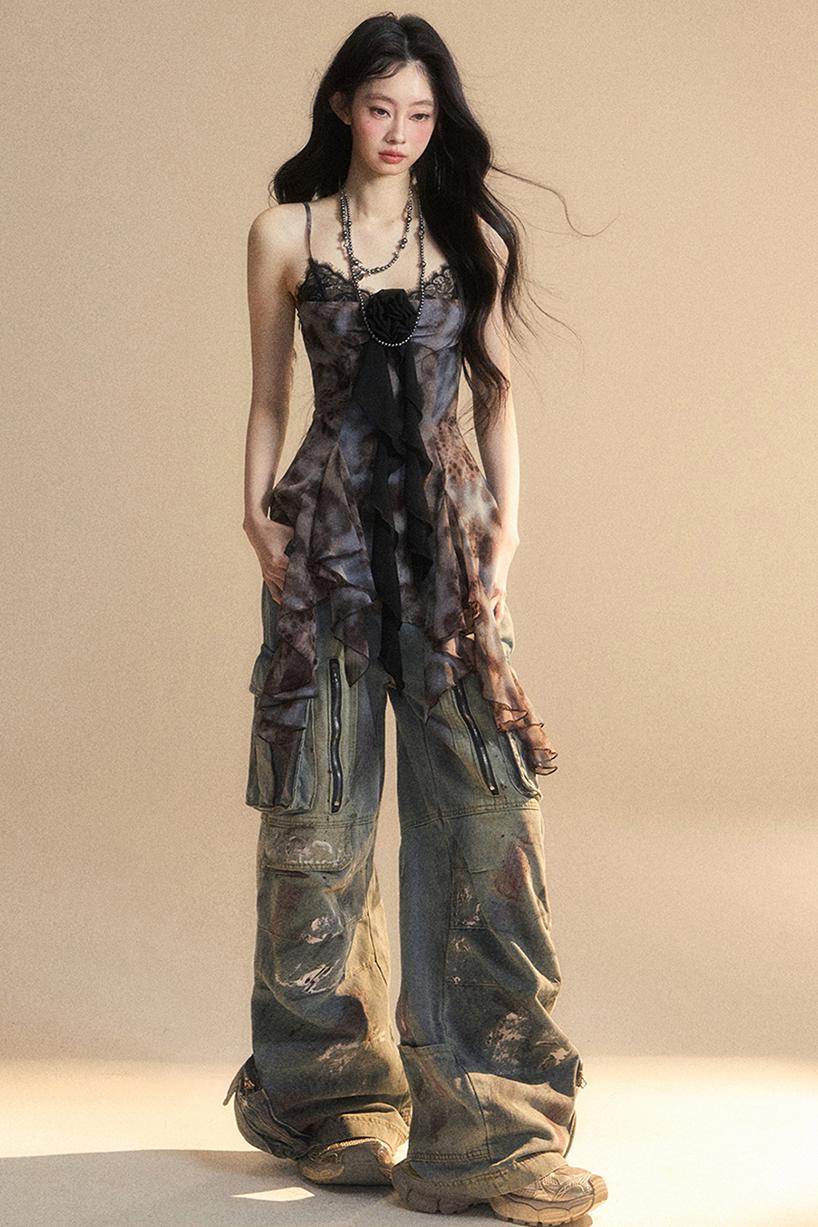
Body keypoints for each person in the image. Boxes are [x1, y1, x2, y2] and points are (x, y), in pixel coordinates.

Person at [223, 13, 609, 1224]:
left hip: (449, 555)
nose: (399, 132)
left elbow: (494, 395)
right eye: (381, 108)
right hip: (326, 548)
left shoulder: (467, 236)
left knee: (485, 823)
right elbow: (269, 395)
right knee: (318, 824)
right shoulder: (283, 233)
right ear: (344, 106)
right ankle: (327, 1100)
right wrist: (251, 514)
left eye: (420, 114)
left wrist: (506, 535)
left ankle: (491, 1128)